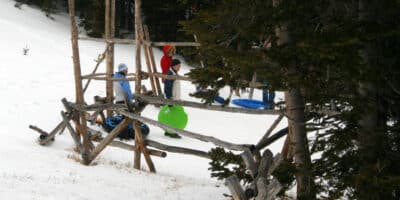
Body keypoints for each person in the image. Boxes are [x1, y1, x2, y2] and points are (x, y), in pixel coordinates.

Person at [163, 59, 182, 138]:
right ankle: (171, 132)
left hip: (175, 99)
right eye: (178, 66)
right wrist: (169, 99)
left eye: (180, 66)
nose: (179, 67)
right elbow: (167, 87)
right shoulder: (170, 74)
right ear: (174, 66)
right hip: (172, 99)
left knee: (173, 116)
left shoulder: (174, 73)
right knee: (172, 117)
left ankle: (170, 131)